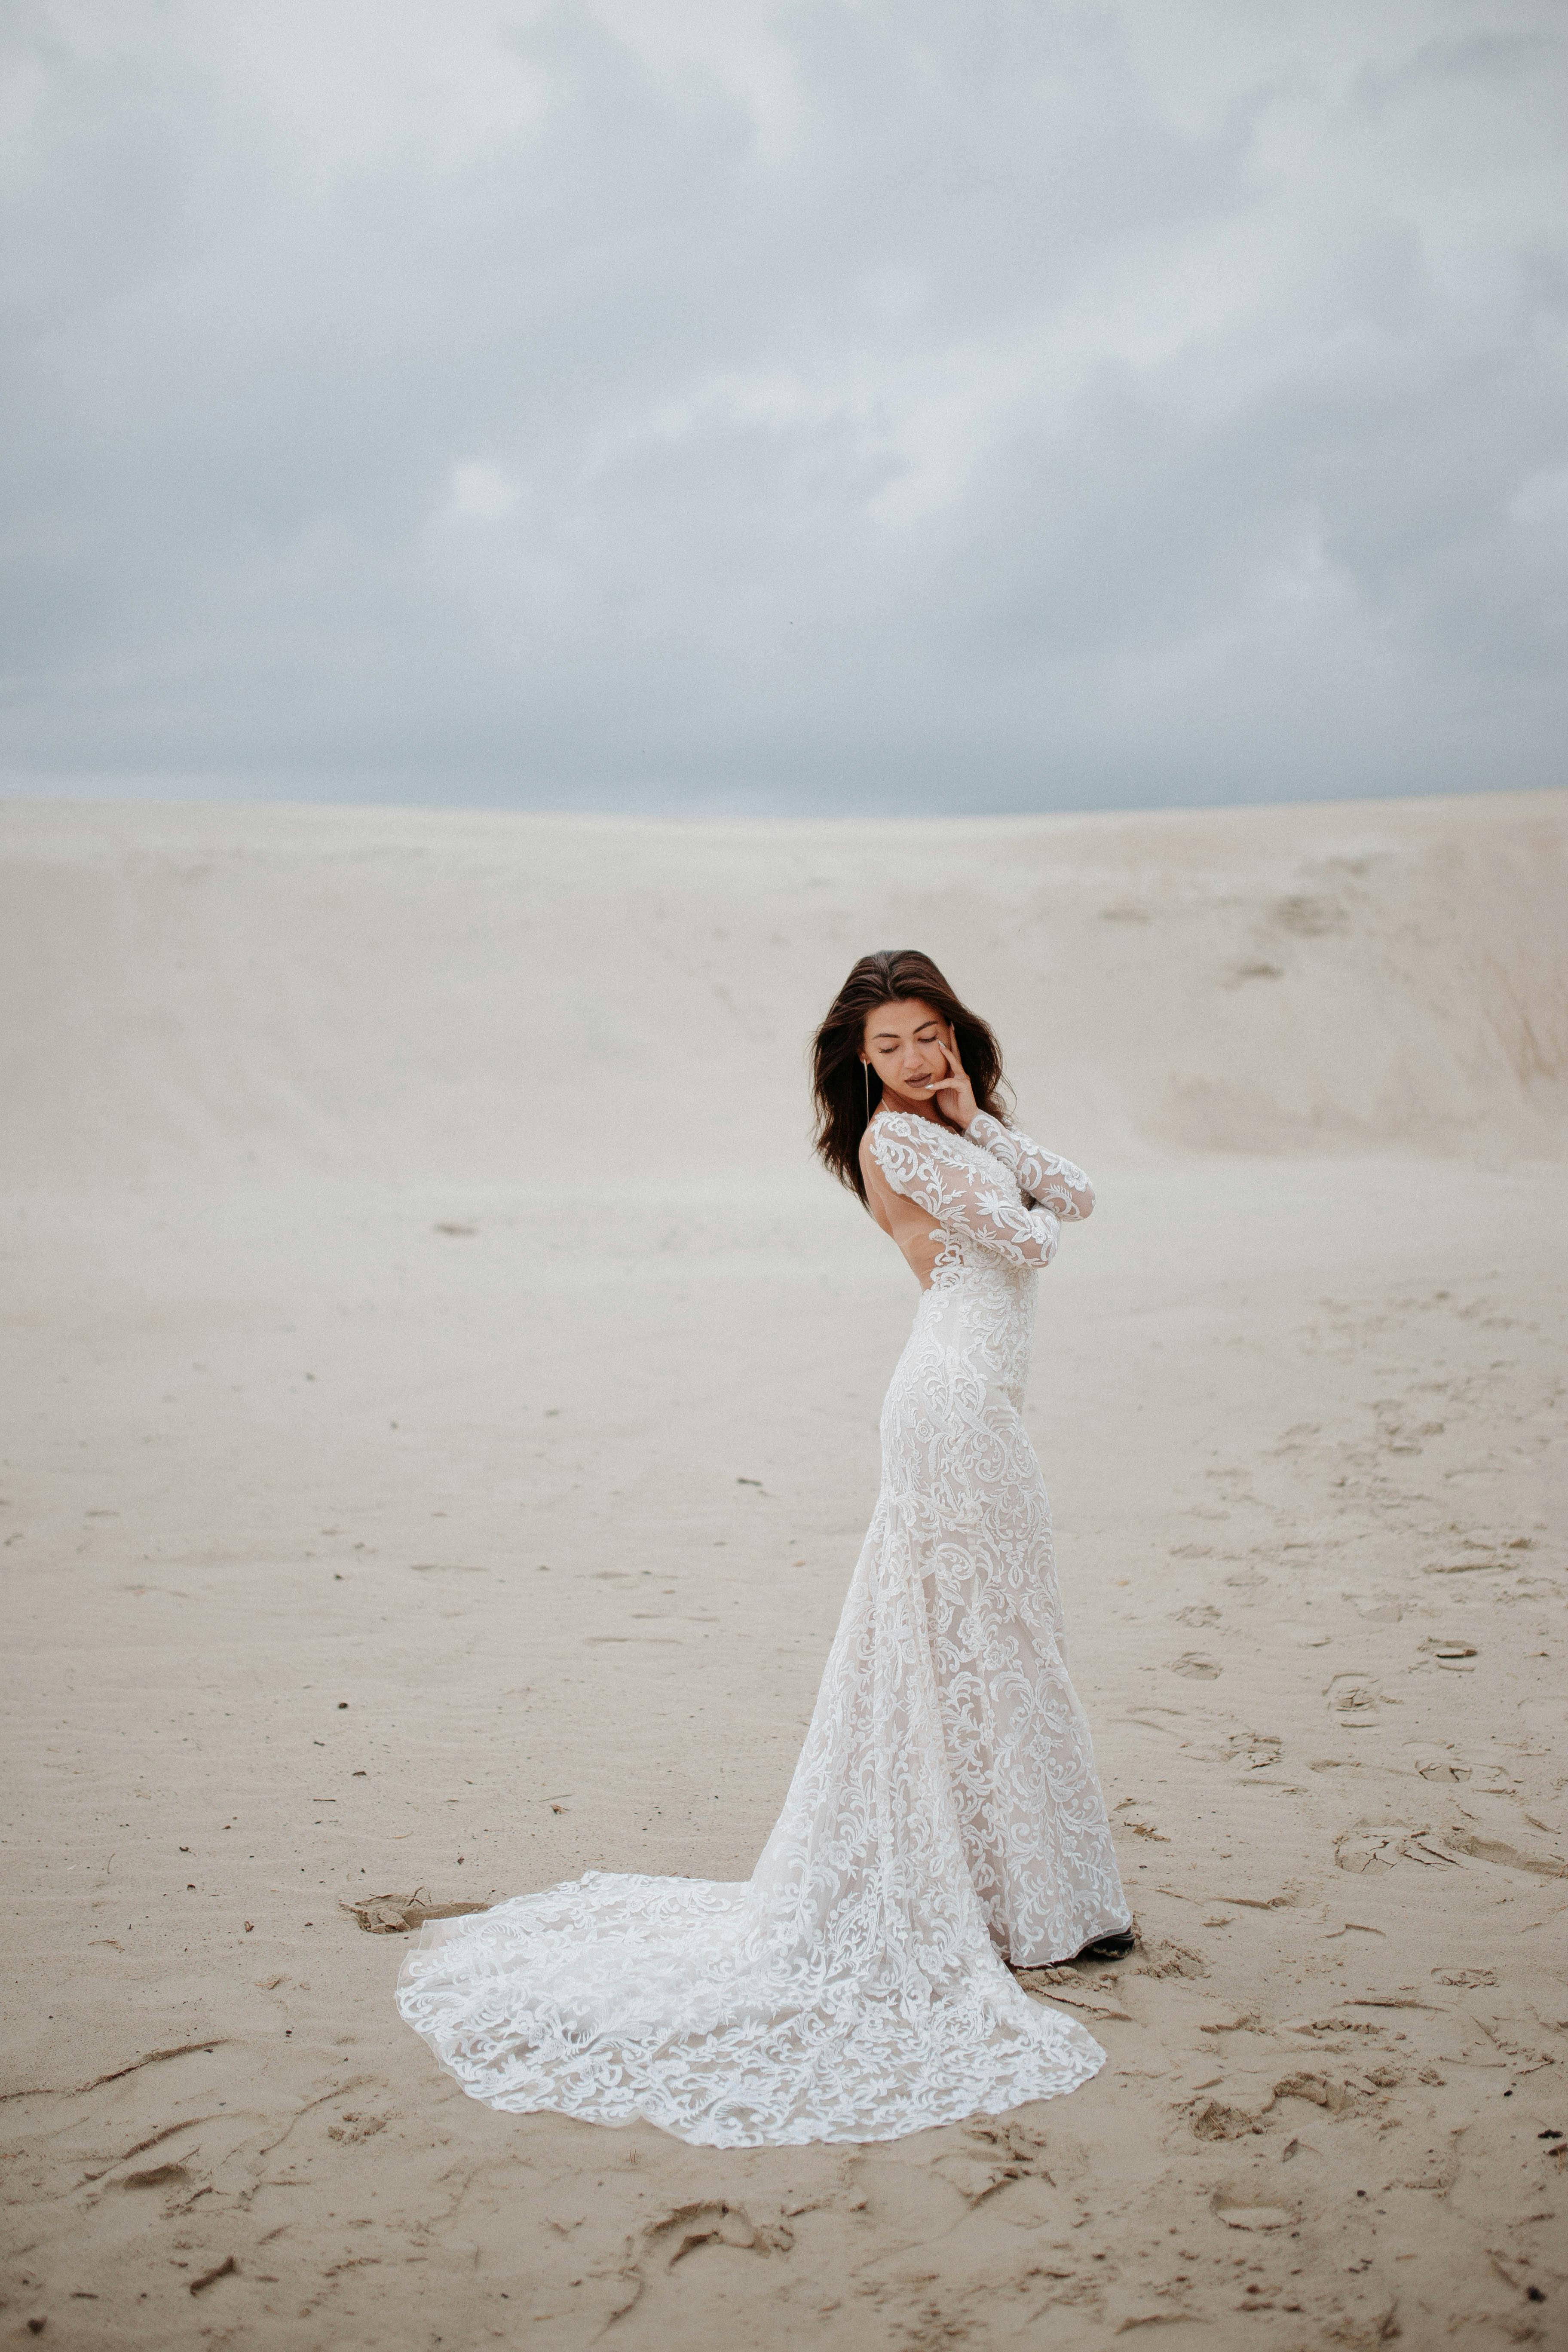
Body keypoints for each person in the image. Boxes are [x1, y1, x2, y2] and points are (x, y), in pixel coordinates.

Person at [396, 949, 1131, 2148]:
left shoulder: (954, 1120)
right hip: (945, 1407)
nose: (912, 1060)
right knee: (984, 1639)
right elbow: (1031, 1241)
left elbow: (1079, 1196)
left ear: (955, 1031)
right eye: (888, 1047)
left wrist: (983, 1117)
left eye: (928, 1035)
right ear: (858, 1060)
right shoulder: (897, 1144)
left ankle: (1042, 1901)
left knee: (1003, 1639)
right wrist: (973, 1138)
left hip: (979, 1406)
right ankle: (1043, 1916)